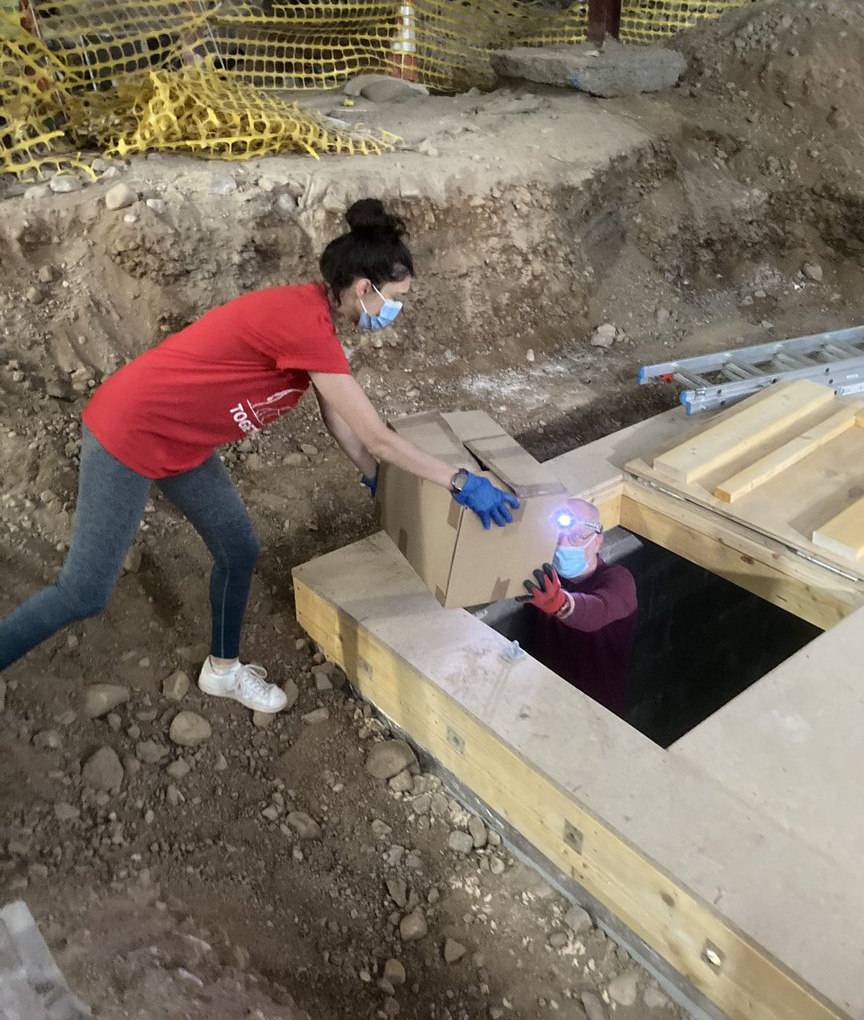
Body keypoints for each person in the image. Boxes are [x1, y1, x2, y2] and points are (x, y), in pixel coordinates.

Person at [0, 199, 518, 710]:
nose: (397, 310)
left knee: (238, 550)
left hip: (183, 443)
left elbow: (339, 420)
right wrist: (460, 482)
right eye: (396, 297)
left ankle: (221, 672)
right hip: (129, 432)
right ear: (365, 288)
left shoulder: (318, 325)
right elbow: (378, 436)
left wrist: (377, 480)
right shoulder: (302, 321)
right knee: (84, 593)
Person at [519, 498, 637, 718]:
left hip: (598, 712)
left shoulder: (618, 580)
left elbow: (597, 611)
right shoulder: (543, 575)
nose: (563, 545)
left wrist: (560, 603)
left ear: (597, 541)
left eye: (575, 537)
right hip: (545, 703)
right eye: (558, 537)